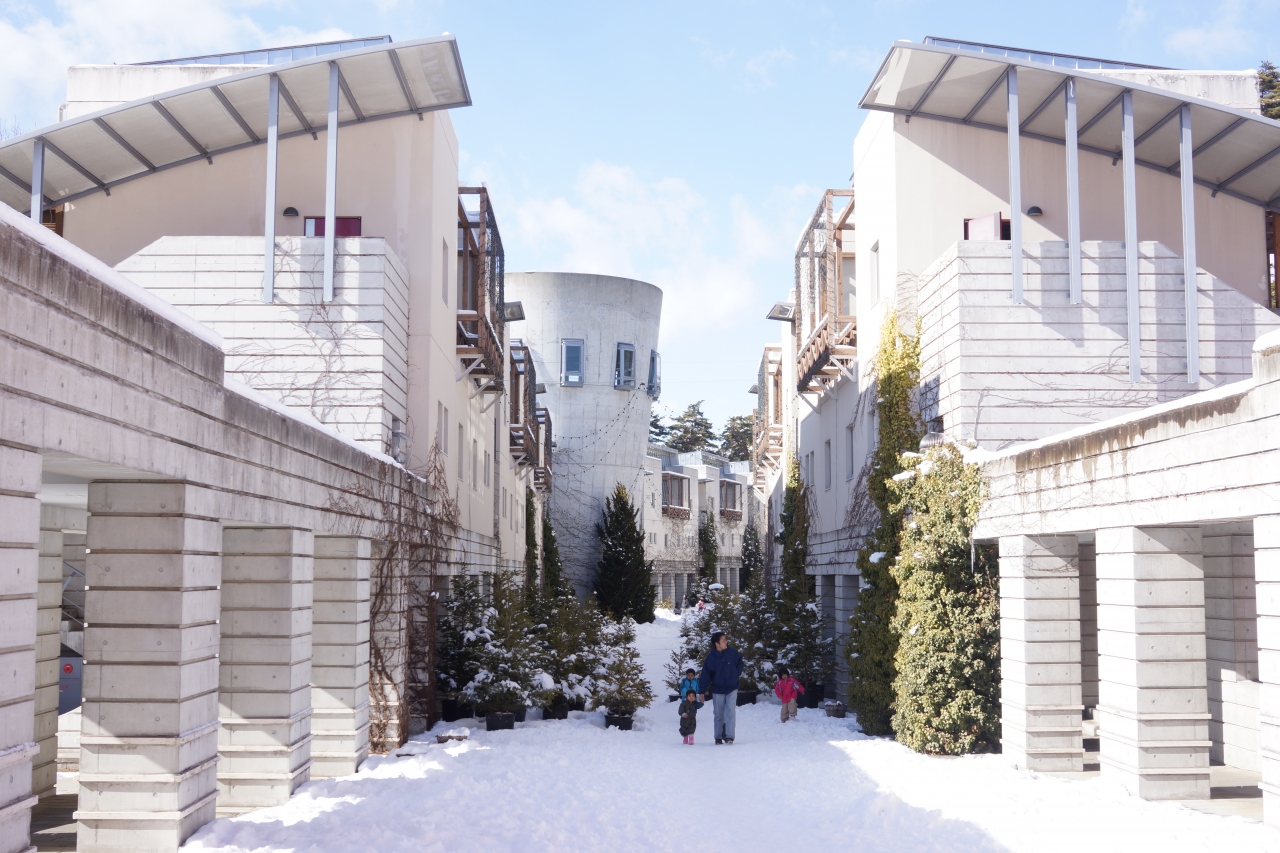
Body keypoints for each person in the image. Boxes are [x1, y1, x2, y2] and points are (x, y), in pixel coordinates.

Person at [699, 631, 744, 744]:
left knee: (730, 712)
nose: (726, 641)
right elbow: (705, 674)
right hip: (718, 689)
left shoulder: (732, 652)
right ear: (717, 644)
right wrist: (702, 691)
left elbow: (740, 661)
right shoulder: (711, 658)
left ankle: (729, 737)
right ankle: (718, 737)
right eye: (723, 640)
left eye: (725, 639)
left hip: (732, 687)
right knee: (718, 714)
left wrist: (736, 672)